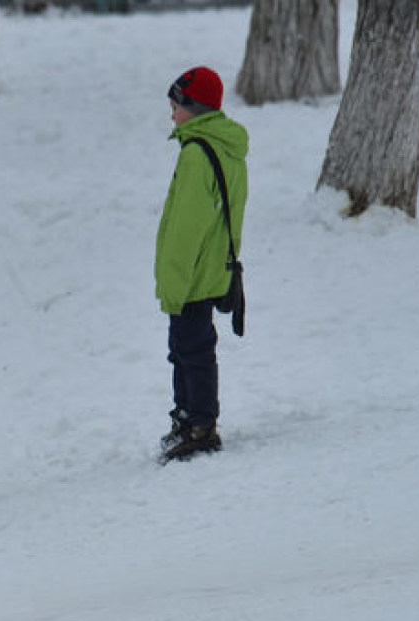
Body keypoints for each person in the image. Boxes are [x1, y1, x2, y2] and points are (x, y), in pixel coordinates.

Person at [155, 66, 249, 463]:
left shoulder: (197, 154)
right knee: (189, 347)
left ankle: (200, 426)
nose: (172, 114)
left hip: (191, 274)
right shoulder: (225, 147)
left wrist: (172, 283)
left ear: (193, 108)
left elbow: (186, 229)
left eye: (176, 106)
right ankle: (188, 419)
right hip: (213, 266)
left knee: (190, 349)